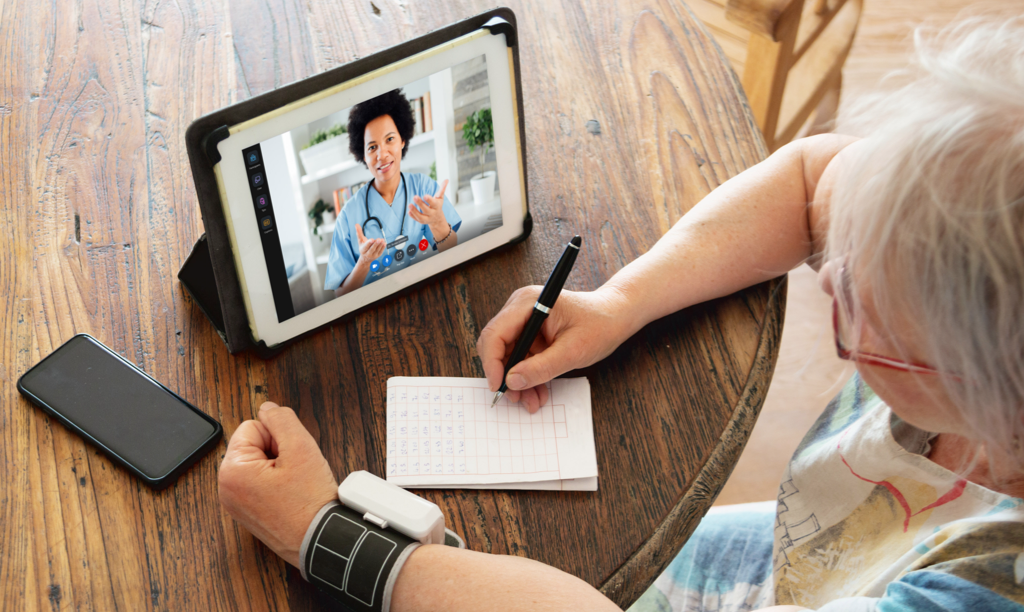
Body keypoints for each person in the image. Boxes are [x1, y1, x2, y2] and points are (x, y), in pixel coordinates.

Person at [219, 19, 1024, 612]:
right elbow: (814, 179)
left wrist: (322, 537)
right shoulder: (974, 213)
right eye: (839, 250)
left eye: (857, 315)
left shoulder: (981, 587)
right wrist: (619, 302)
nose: (827, 286)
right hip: (782, 557)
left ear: (984, 387)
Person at [324, 88, 462, 297]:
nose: (382, 154)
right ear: (363, 155)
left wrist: (437, 222)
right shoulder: (348, 217)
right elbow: (340, 296)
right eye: (372, 147)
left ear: (402, 139)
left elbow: (452, 251)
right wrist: (363, 263)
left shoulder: (425, 189)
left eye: (390, 139)